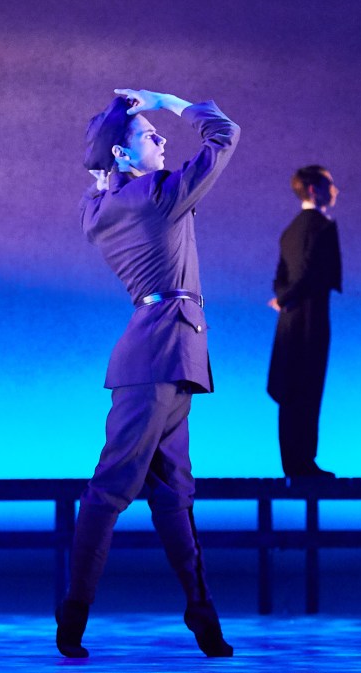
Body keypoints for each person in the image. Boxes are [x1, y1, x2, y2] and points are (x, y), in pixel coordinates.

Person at [56, 88, 240, 659]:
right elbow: (224, 135)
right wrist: (165, 99)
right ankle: (74, 612)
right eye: (147, 134)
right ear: (122, 154)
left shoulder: (102, 207)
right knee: (112, 488)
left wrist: (111, 154)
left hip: (168, 355)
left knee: (174, 493)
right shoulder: (155, 195)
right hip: (159, 354)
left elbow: (96, 189)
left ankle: (201, 611)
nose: (160, 136)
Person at [266, 165, 342, 478]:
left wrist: (282, 298)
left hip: (289, 319)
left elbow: (280, 276)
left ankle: (293, 463)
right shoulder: (322, 227)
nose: (335, 190)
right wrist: (285, 297)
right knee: (308, 387)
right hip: (310, 317)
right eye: (329, 184)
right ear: (314, 189)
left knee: (290, 388)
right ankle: (304, 464)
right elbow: (309, 272)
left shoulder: (291, 229)